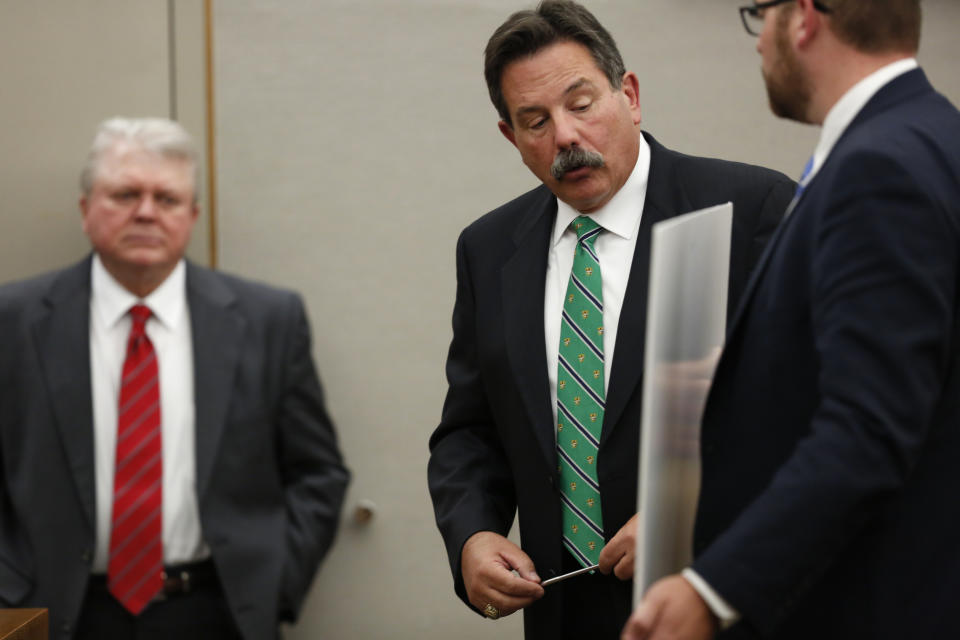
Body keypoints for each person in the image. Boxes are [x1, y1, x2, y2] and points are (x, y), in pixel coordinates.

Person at [426, 1, 795, 638]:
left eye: (582, 103)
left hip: (722, 601)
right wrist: (472, 536)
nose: (565, 136)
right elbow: (470, 430)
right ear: (512, 138)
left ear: (629, 95)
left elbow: (805, 411)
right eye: (535, 121)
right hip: (564, 613)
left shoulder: (749, 210)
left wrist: (692, 518)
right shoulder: (488, 250)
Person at [623, 1, 960, 638]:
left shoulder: (876, 168)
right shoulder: (935, 137)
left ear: (804, 17)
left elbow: (867, 430)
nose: (757, 45)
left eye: (759, 15)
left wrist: (712, 587)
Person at [0, 117, 350, 640]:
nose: (145, 211)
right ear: (84, 209)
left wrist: (273, 585)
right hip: (54, 613)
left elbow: (318, 471)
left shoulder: (267, 319)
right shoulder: (13, 320)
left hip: (217, 611)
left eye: (166, 198)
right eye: (124, 194)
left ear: (193, 215)